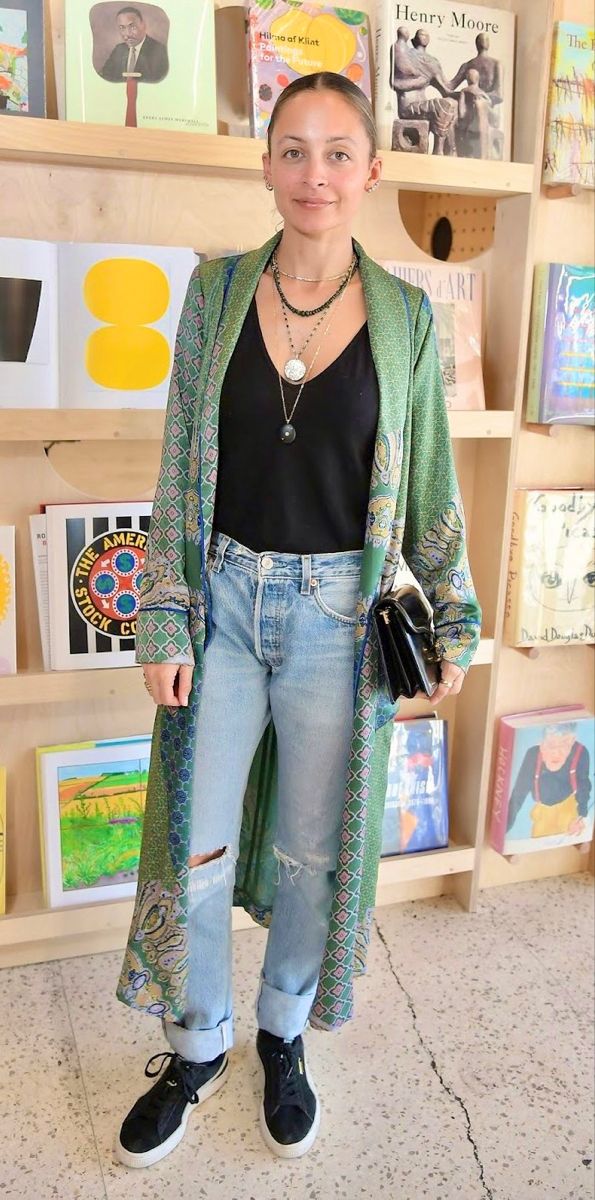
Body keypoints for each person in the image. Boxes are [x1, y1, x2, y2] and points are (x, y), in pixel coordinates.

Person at [114, 71, 482, 1169]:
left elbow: (430, 489)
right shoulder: (214, 293)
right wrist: (165, 619)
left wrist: (448, 621)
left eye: (336, 153)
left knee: (317, 851)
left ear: (370, 171)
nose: (312, 174)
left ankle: (280, 1033)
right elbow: (179, 463)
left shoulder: (409, 316)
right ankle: (197, 1042)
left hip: (337, 617)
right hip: (221, 599)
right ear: (265, 163)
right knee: (196, 841)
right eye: (291, 150)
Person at [99, 5, 168, 84]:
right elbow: (104, 77)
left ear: (143, 25)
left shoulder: (160, 52)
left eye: (132, 27)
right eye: (122, 28)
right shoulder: (118, 50)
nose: (127, 34)